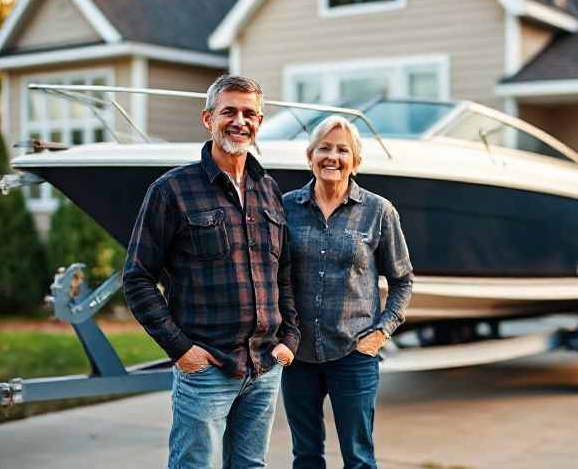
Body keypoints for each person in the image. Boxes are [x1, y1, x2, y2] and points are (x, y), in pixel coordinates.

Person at [123, 75, 299, 469]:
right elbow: (137, 278)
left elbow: (283, 273)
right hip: (207, 368)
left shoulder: (269, 189)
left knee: (250, 465)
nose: (240, 121)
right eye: (229, 111)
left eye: (249, 113)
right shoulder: (171, 190)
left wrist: (290, 337)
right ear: (208, 119)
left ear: (259, 122)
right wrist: (180, 349)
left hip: (264, 366)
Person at [281, 115, 413, 469]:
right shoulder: (285, 207)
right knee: (305, 455)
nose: (332, 157)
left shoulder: (378, 211)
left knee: (359, 458)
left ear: (356, 162)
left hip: (354, 353)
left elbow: (403, 280)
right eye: (324, 148)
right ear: (310, 156)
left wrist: (382, 332)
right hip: (298, 355)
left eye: (343, 150)